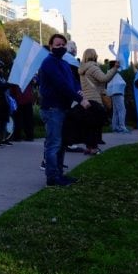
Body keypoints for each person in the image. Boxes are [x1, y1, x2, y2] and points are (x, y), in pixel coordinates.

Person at [38, 33, 90, 187]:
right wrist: (80, 100)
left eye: (63, 45)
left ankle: (59, 174)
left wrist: (79, 91)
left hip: (62, 107)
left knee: (60, 144)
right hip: (52, 108)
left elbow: (73, 82)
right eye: (57, 45)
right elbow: (61, 84)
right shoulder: (49, 63)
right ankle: (52, 178)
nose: (60, 47)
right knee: (54, 144)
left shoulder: (64, 63)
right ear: (51, 46)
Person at [78, 48, 119, 154]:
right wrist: (114, 69)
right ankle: (94, 148)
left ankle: (88, 147)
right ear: (94, 55)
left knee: (88, 125)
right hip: (95, 99)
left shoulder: (82, 68)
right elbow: (104, 79)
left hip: (86, 99)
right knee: (95, 125)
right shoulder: (92, 67)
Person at [106, 60, 128, 133]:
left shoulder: (110, 72)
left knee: (116, 111)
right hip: (117, 93)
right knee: (122, 110)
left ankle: (115, 127)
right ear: (114, 65)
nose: (118, 64)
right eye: (117, 63)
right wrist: (123, 83)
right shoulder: (113, 72)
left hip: (115, 93)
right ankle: (122, 127)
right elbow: (118, 83)